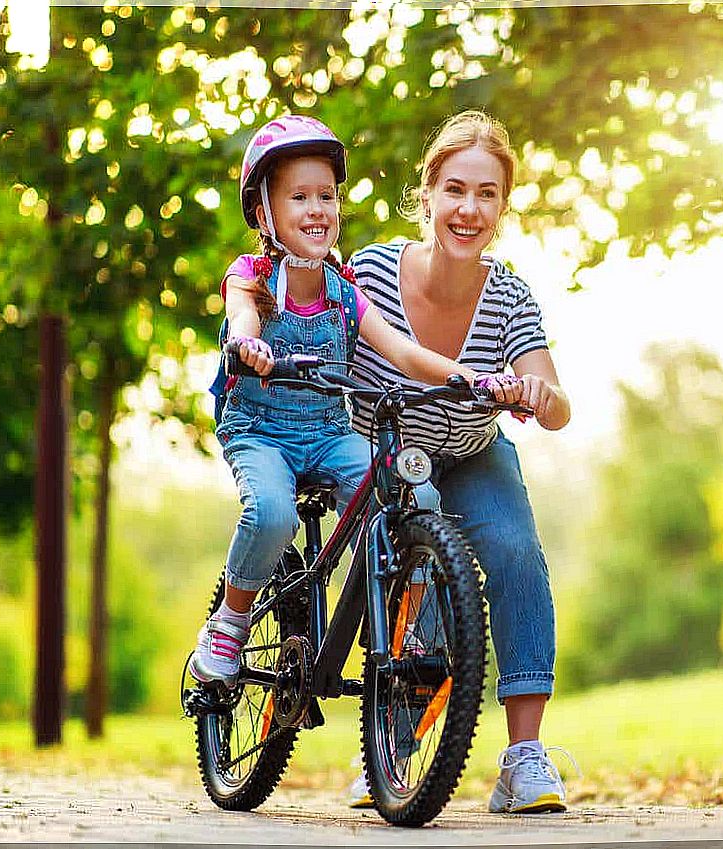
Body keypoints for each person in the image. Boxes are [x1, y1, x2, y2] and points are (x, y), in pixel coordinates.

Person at [189, 114, 519, 687]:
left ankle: (406, 626)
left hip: (328, 431)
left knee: (412, 496)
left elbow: (403, 351)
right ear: (265, 213)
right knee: (272, 513)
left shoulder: (346, 291)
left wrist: (468, 378)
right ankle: (230, 622)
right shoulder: (252, 277)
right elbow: (242, 315)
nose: (317, 209)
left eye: (327, 196)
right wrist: (247, 342)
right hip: (260, 432)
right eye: (299, 197)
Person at [345, 110, 573, 814]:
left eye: (487, 194)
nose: (469, 208)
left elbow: (559, 404)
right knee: (423, 570)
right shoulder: (373, 271)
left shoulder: (508, 295)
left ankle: (524, 759)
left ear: (503, 207)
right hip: (383, 452)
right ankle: (393, 748)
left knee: (514, 551)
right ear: (427, 195)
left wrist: (537, 392)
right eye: (455, 189)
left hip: (472, 449)